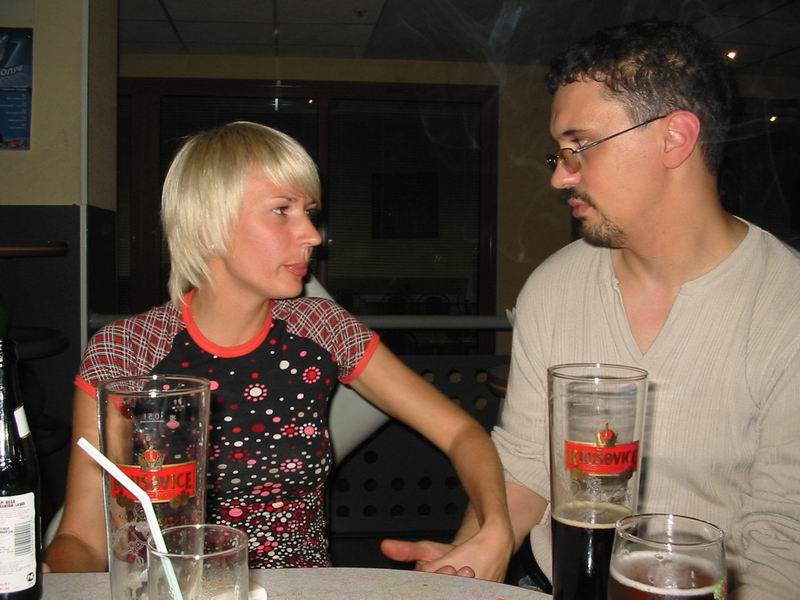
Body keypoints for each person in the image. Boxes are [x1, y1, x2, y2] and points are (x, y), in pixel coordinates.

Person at [381, 19, 800, 598]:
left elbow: (784, 539)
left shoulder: (786, 304)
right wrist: (475, 557)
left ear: (674, 138)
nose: (560, 176)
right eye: (558, 153)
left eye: (579, 147)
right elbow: (526, 464)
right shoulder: (554, 286)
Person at [44, 121, 514, 578]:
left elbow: (461, 433)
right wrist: (48, 576)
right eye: (282, 210)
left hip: (301, 588)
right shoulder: (128, 350)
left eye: (309, 211)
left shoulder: (321, 327)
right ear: (209, 223)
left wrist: (494, 527)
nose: (313, 234)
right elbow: (84, 539)